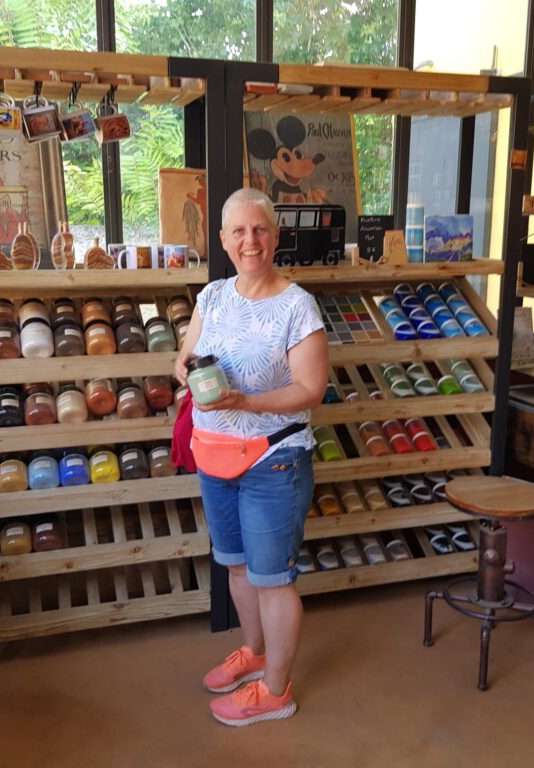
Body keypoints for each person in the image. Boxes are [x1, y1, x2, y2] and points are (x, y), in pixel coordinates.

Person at [174, 187, 328, 727]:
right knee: (237, 565)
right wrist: (183, 369)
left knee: (273, 578)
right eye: (239, 231)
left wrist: (247, 402)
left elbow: (311, 388)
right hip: (216, 455)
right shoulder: (213, 296)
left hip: (273, 459)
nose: (250, 240)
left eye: (259, 229)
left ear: (275, 236)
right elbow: (184, 357)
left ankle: (276, 691)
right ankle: (255, 653)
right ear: (223, 240)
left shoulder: (297, 305)